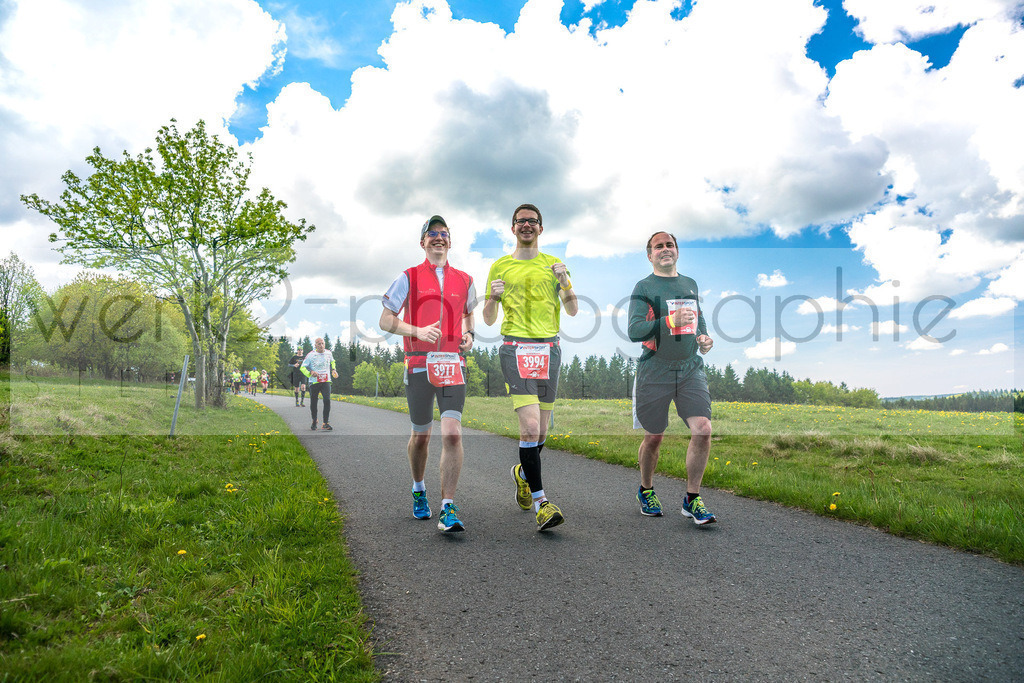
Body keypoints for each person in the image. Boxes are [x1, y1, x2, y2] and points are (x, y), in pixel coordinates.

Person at [482, 203, 578, 531]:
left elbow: (573, 309)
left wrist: (564, 281)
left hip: (549, 349)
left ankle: (522, 474)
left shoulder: (554, 265)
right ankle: (542, 503)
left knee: (542, 431)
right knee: (530, 427)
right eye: (521, 221)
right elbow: (488, 319)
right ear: (512, 229)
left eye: (532, 221)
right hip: (514, 348)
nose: (526, 225)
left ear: (540, 228)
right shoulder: (500, 266)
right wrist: (492, 299)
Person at [380, 215, 476, 533]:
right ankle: (419, 489)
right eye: (431, 234)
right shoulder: (408, 277)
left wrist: (469, 334)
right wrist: (417, 329)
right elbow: (386, 320)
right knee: (421, 437)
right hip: (419, 365)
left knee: (452, 433)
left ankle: (448, 507)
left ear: (450, 241)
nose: (438, 238)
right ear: (423, 242)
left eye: (443, 233)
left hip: (452, 366)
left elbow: (468, 314)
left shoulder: (465, 279)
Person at [627, 231, 717, 524]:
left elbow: (697, 317)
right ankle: (646, 490)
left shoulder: (689, 283)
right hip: (655, 368)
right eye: (658, 246)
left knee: (703, 428)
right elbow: (635, 331)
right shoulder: (644, 286)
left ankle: (692, 499)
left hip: (690, 367)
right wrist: (668, 321)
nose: (665, 249)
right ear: (650, 255)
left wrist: (704, 337)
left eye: (670, 245)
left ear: (676, 251)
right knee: (654, 436)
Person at [300, 337, 338, 431]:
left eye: (322, 343)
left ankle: (325, 423)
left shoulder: (329, 353)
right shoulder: (310, 355)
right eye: (319, 344)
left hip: (326, 381)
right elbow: (302, 367)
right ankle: (314, 420)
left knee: (327, 400)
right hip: (314, 381)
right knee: (314, 402)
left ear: (324, 344)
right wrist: (310, 373)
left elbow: (333, 361)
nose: (321, 345)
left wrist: (333, 369)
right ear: (315, 345)